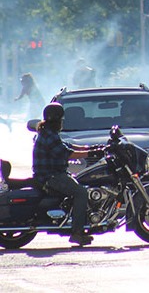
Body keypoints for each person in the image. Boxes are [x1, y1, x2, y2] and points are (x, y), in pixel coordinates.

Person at [32, 103, 100, 246]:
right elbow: (66, 153)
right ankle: (77, 233)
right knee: (81, 193)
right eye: (61, 119)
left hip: (52, 175)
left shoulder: (48, 133)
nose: (63, 122)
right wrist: (91, 153)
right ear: (56, 119)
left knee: (80, 185)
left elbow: (68, 146)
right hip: (49, 177)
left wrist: (93, 148)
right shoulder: (49, 135)